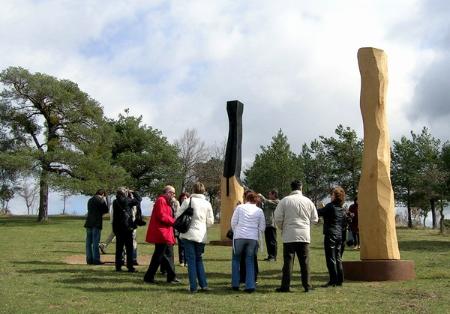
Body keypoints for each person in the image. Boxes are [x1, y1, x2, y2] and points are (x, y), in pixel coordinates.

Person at [274, 180, 318, 293]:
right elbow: (315, 219)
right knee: (305, 262)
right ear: (301, 187)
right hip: (304, 235)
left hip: (289, 235)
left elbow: (278, 218)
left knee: (288, 261)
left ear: (291, 188)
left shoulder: (284, 201)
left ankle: (285, 286)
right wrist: (307, 227)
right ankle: (307, 286)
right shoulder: (308, 201)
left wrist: (283, 228)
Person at [177, 182, 214, 293]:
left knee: (191, 260)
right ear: (204, 191)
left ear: (193, 190)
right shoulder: (207, 204)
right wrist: (203, 225)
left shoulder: (188, 201)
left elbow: (178, 216)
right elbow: (211, 221)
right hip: (201, 235)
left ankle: (193, 287)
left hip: (188, 234)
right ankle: (204, 285)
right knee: (199, 259)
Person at [144, 185, 180, 284]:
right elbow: (162, 215)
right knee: (163, 256)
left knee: (163, 255)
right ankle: (167, 277)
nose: (174, 195)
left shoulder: (166, 201)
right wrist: (174, 221)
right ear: (167, 192)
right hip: (162, 233)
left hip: (165, 232)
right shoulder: (161, 200)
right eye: (172, 193)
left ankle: (169, 276)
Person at [231, 192, 265, 293]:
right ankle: (250, 285)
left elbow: (233, 222)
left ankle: (235, 284)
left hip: (239, 236)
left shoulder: (240, 208)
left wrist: (236, 231)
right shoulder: (259, 211)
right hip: (252, 237)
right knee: (250, 261)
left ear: (246, 198)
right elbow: (262, 227)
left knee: (236, 259)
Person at [318, 186, 346, 287]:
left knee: (330, 258)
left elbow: (318, 212)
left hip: (330, 234)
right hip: (339, 235)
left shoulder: (330, 206)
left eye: (332, 194)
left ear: (335, 196)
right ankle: (340, 279)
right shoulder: (341, 208)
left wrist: (321, 207)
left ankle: (333, 280)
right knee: (338, 258)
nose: (331, 196)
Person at [112, 187, 142, 272]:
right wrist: (133, 192)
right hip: (127, 227)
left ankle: (118, 266)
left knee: (119, 249)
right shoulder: (127, 200)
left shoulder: (115, 202)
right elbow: (139, 199)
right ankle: (130, 266)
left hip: (118, 228)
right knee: (129, 248)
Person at [84, 189, 109, 265]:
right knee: (95, 242)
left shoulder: (90, 200)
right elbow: (106, 210)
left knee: (88, 242)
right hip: (97, 223)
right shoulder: (101, 200)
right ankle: (96, 260)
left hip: (89, 222)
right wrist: (104, 200)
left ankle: (89, 259)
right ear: (103, 194)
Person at [259, 190, 280, 261]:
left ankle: (273, 256)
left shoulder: (277, 202)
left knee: (272, 241)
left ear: (274, 194)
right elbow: (262, 210)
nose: (269, 196)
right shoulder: (267, 202)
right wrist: (260, 203)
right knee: (268, 242)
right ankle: (270, 256)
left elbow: (268, 202)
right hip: (266, 224)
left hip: (272, 224)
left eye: (270, 194)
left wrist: (262, 197)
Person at [176, 192, 190, 266]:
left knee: (187, 245)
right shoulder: (179, 207)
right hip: (180, 228)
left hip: (187, 228)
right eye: (182, 198)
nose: (184, 200)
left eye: (185, 198)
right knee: (181, 245)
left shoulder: (190, 207)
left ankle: (187, 261)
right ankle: (181, 261)